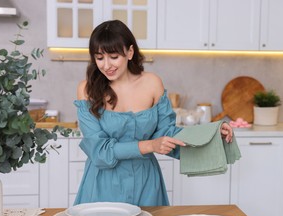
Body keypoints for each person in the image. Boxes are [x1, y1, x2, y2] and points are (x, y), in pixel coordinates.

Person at [73, 20, 233, 206]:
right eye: (99, 58)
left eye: (114, 56)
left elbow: (168, 134)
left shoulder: (152, 83)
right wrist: (150, 145)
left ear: (130, 52)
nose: (106, 65)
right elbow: (99, 151)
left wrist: (212, 134)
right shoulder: (87, 89)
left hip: (146, 183)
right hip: (102, 185)